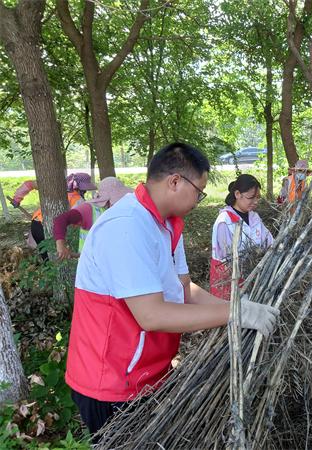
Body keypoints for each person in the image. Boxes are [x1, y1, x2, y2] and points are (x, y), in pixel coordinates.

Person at [64, 143, 279, 435]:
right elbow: (151, 315)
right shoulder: (127, 226)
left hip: (149, 373)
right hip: (112, 382)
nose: (200, 199)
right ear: (175, 181)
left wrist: (232, 304)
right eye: (199, 191)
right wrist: (233, 312)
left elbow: (184, 288)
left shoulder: (166, 224)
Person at [210, 174, 274, 299]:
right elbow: (227, 258)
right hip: (229, 281)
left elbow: (269, 241)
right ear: (237, 194)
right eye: (251, 198)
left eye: (258, 197)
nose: (255, 202)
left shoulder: (254, 217)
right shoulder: (225, 221)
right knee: (232, 315)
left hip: (252, 278)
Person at [11, 173, 97, 256]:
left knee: (44, 254)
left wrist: (16, 199)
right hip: (50, 228)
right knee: (55, 256)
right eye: (84, 190)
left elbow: (29, 184)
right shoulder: (78, 200)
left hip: (35, 223)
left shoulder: (54, 188)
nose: (85, 192)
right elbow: (76, 223)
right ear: (80, 189)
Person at [52, 177, 133, 260]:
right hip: (92, 268)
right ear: (108, 199)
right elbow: (60, 220)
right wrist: (61, 246)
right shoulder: (89, 209)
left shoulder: (120, 211)